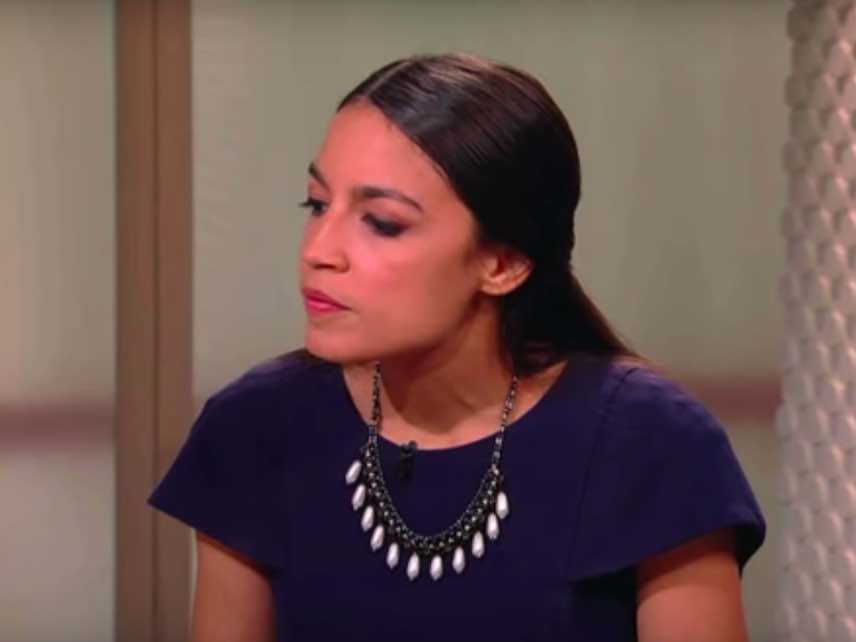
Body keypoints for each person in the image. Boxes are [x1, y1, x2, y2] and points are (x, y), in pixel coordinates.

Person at [148, 53, 766, 642]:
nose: (318, 251)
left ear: (503, 263)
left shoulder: (649, 443)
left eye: (382, 222)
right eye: (317, 204)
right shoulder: (256, 428)